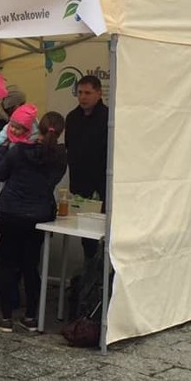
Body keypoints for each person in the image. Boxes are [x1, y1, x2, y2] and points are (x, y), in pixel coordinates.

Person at [0, 107, 67, 333]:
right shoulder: (60, 157)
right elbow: (50, 183)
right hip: (37, 216)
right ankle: (31, 316)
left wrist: (3, 151)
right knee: (30, 265)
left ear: (37, 128)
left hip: (10, 213)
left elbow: (0, 174)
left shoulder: (19, 150)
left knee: (6, 264)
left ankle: (5, 317)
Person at [64, 75, 109, 259]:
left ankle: (105, 273)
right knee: (86, 234)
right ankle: (89, 270)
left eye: (88, 93)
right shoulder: (72, 118)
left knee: (106, 231)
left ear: (99, 93)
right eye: (80, 93)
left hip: (103, 184)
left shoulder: (108, 117)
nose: (83, 97)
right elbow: (69, 148)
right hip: (81, 185)